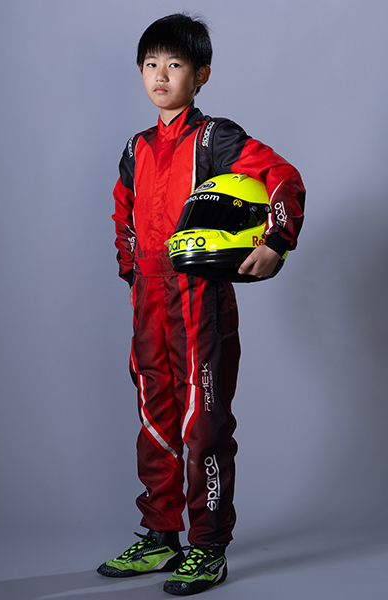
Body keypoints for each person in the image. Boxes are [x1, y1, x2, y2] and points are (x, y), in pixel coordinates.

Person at [97, 13, 305, 596]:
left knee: (203, 425)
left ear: (201, 74)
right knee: (154, 422)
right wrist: (133, 270)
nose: (161, 76)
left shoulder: (215, 138)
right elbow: (123, 215)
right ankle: (161, 536)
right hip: (148, 303)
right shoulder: (135, 148)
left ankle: (208, 547)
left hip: (199, 301)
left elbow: (282, 177)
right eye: (151, 64)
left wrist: (276, 241)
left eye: (175, 64)